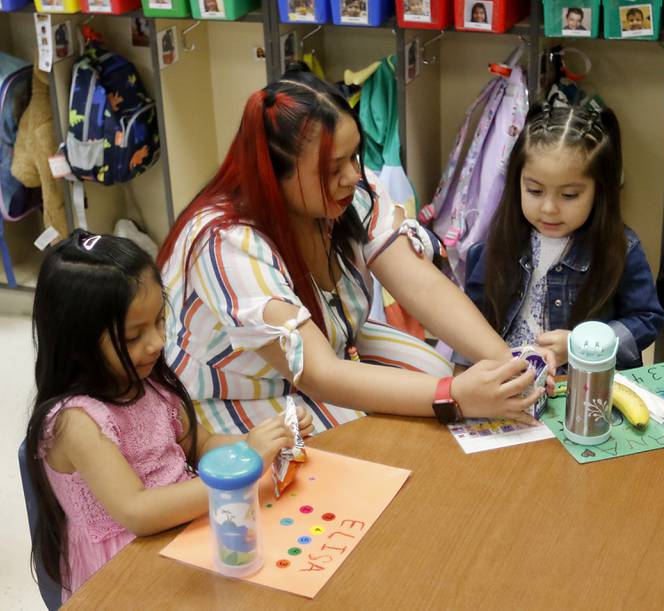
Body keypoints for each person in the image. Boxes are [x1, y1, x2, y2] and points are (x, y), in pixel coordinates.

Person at [157, 67, 555, 437]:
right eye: (333, 168)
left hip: (334, 347)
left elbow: (423, 287)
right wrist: (454, 396)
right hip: (244, 391)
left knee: (434, 370)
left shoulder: (348, 198)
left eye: (354, 156)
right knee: (369, 435)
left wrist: (512, 365)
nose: (353, 176)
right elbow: (318, 373)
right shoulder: (227, 242)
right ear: (275, 173)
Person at [24, 231, 313, 602]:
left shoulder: (151, 383)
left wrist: (263, 442)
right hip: (126, 575)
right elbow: (138, 510)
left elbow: (202, 445)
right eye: (133, 336)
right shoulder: (77, 422)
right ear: (76, 344)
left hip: (182, 536)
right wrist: (247, 466)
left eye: (159, 321)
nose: (157, 343)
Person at [460, 105, 664, 371]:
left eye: (568, 195)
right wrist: (463, 375)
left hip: (584, 388)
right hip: (512, 380)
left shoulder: (621, 248)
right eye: (534, 190)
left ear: (599, 192)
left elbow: (647, 319)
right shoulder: (501, 242)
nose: (548, 208)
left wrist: (582, 345)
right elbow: (470, 319)